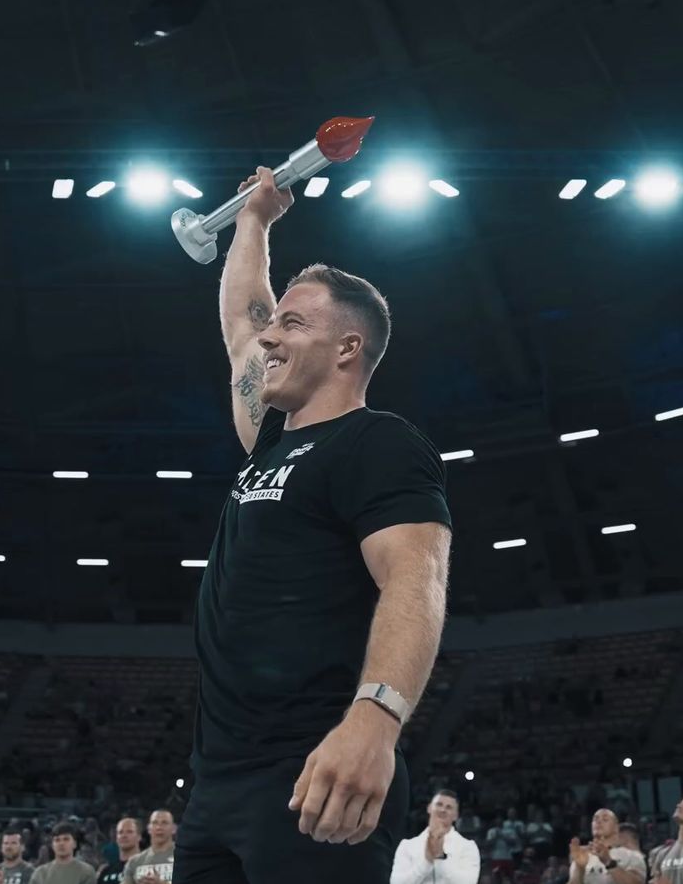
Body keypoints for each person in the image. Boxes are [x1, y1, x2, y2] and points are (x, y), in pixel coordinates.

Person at [174, 164, 453, 884]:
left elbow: (415, 578)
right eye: (276, 321)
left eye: (292, 323)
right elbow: (242, 323)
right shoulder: (268, 439)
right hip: (215, 786)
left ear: (347, 349)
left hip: (316, 773)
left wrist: (376, 720)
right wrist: (253, 223)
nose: (271, 337)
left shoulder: (377, 442)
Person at [391, 790, 480, 884]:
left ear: (455, 816)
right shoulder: (407, 845)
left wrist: (440, 858)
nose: (443, 810)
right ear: (429, 808)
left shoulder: (468, 847)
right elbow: (396, 882)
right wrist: (426, 862)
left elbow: (469, 882)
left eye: (449, 807)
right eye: (439, 804)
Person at [568, 808, 646, 884]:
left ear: (616, 828)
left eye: (605, 819)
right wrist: (579, 868)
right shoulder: (583, 855)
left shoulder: (631, 855)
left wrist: (609, 862)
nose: (598, 821)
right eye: (595, 819)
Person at [121, 812, 176, 884]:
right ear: (149, 828)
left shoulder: (186, 857)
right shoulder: (134, 862)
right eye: (155, 823)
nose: (159, 827)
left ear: (173, 828)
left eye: (164, 823)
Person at [30, 825, 95, 884]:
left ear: (74, 844)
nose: (61, 843)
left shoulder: (86, 872)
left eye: (66, 839)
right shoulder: (40, 873)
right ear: (52, 845)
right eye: (57, 840)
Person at [96, 819, 143, 884]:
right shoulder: (106, 871)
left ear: (139, 836)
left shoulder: (147, 867)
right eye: (120, 832)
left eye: (129, 832)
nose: (124, 836)